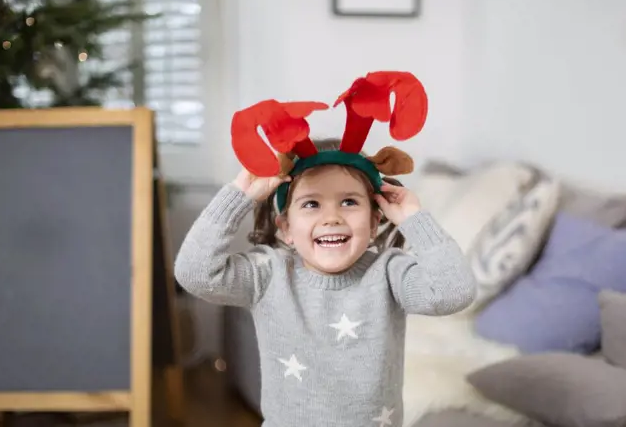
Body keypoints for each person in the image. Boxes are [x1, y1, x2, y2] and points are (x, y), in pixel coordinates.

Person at [174, 71, 476, 427]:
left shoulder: (390, 273)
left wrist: (414, 218)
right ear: (285, 228)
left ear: (375, 218)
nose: (331, 217)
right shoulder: (268, 275)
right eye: (311, 205)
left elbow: (455, 291)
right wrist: (238, 197)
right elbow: (194, 273)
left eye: (349, 202)